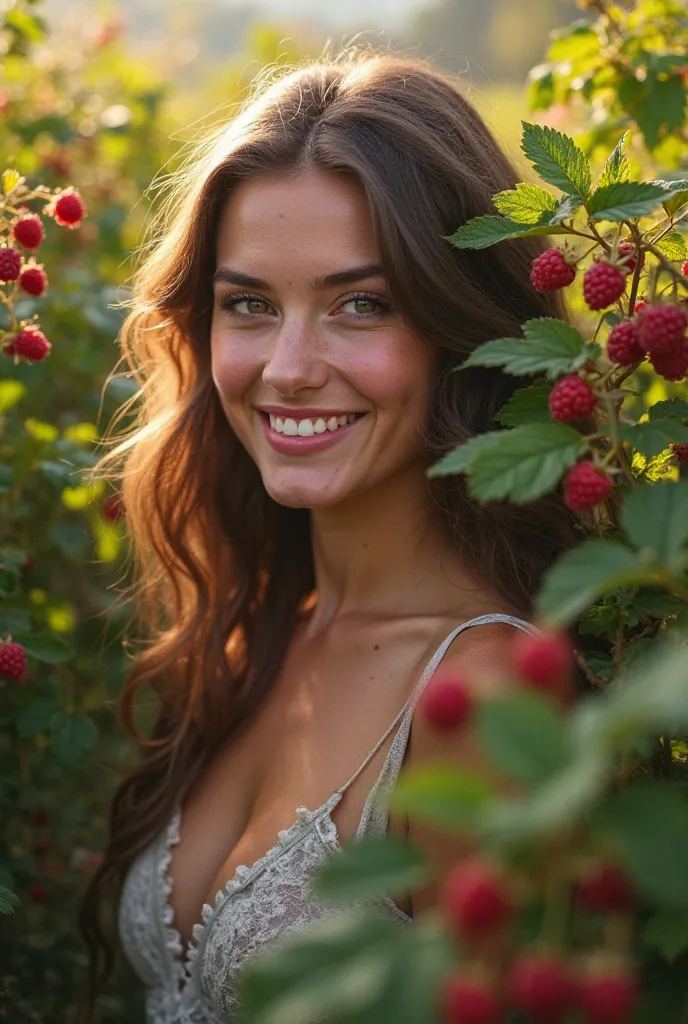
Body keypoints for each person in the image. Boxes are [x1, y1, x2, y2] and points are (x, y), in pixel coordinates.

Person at [79, 47, 579, 1024]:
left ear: (457, 323)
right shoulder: (258, 625)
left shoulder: (478, 700)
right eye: (249, 306)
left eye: (361, 304)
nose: (289, 367)